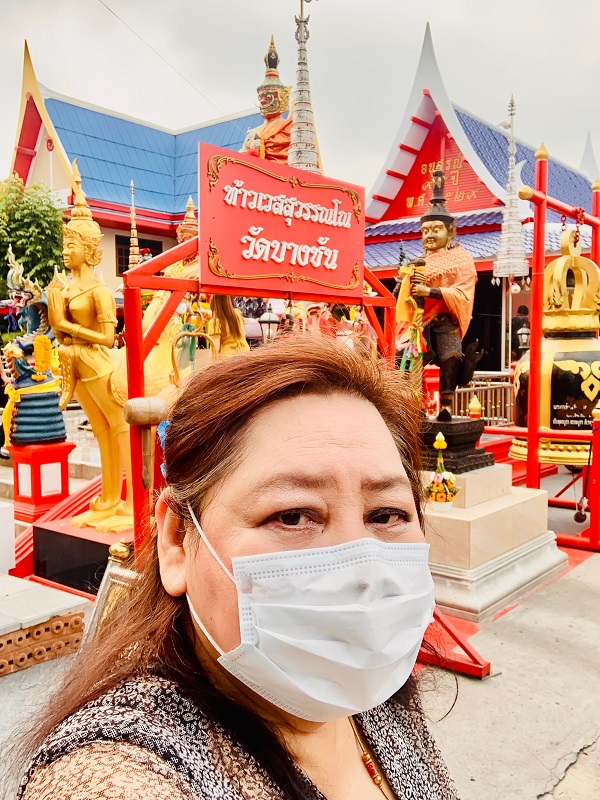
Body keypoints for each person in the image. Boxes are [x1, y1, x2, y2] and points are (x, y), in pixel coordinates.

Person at [16, 337, 457, 800]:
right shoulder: (117, 776)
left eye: (386, 514)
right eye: (292, 516)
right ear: (177, 542)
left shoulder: (378, 697)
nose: (361, 571)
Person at [396, 169, 480, 421]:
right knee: (408, 359)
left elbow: (462, 291)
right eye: (425, 230)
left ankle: (446, 407)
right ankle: (415, 405)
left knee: (450, 358)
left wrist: (430, 291)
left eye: (436, 229)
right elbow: (399, 296)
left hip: (446, 321)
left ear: (450, 232)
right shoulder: (416, 263)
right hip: (419, 323)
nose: (430, 235)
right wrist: (404, 283)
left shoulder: (461, 259)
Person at [206, 294, 250, 359]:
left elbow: (215, 351)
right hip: (245, 354)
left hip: (228, 358)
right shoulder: (238, 314)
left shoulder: (215, 322)